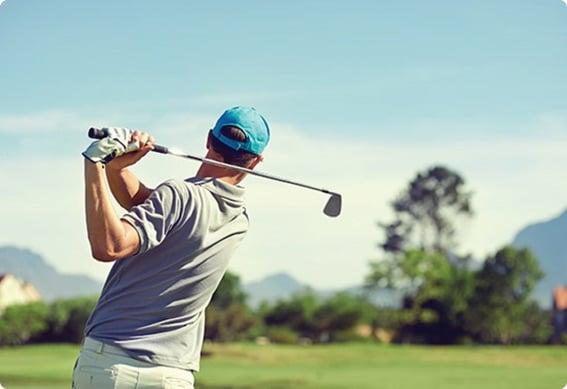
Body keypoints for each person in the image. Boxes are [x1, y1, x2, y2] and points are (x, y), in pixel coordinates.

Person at [73, 106, 270, 389]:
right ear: (256, 161)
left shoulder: (179, 195)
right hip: (173, 377)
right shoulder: (239, 220)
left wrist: (95, 164)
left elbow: (109, 246)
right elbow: (147, 205)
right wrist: (118, 167)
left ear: (208, 140)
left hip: (112, 365)